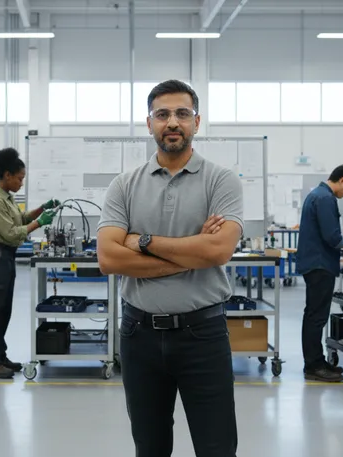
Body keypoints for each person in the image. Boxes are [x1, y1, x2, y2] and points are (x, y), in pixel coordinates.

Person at [97, 79, 243, 457]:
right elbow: (109, 258)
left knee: (217, 448)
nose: (172, 122)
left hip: (203, 334)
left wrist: (142, 241)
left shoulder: (221, 181)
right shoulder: (123, 185)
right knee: (150, 448)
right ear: (149, 124)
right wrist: (190, 252)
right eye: (162, 114)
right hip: (138, 335)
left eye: (182, 113)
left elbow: (219, 251)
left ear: (197, 121)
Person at [0, 147, 58, 379]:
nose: (21, 183)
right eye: (20, 178)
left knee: (3, 310)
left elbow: (20, 219)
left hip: (4, 257)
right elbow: (13, 233)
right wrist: (39, 223)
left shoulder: (7, 198)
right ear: (6, 175)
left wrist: (41, 209)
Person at [295, 165, 343, 382]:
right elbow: (332, 236)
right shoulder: (325, 198)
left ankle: (316, 361)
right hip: (319, 265)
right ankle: (313, 366)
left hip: (316, 263)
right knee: (316, 317)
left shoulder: (318, 195)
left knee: (314, 315)